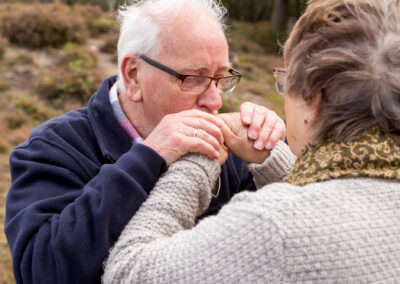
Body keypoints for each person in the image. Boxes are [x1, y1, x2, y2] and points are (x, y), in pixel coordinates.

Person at [102, 0, 400, 282]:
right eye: (193, 77)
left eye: (286, 84)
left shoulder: (272, 226)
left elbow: (127, 273)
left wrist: (195, 160)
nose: (215, 99)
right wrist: (272, 159)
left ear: (316, 101)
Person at [4, 0, 286, 283]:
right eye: (193, 78)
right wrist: (148, 158)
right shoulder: (52, 149)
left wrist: (268, 159)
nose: (215, 100)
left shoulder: (229, 148)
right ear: (133, 75)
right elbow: (41, 271)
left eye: (221, 77)